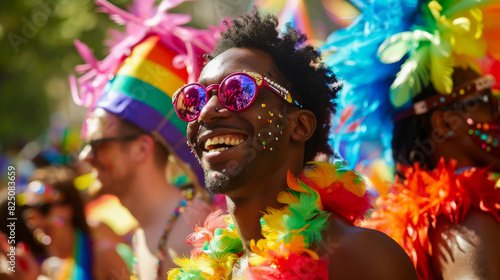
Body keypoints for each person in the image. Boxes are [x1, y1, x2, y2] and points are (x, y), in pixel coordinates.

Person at [167, 9, 417, 279]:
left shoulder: (359, 258)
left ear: (299, 126)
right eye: (196, 98)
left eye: (238, 91)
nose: (206, 112)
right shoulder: (212, 271)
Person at [323, 0, 500, 279]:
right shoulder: (464, 214)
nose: (497, 114)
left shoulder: (415, 222)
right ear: (443, 123)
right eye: (488, 101)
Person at [72, 0, 218, 279]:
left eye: (98, 144)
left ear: (141, 148)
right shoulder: (141, 230)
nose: (85, 157)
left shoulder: (199, 230)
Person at [1, 166, 131, 280]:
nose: (35, 220)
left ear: (67, 210)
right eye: (28, 211)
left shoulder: (102, 254)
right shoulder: (49, 269)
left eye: (43, 208)